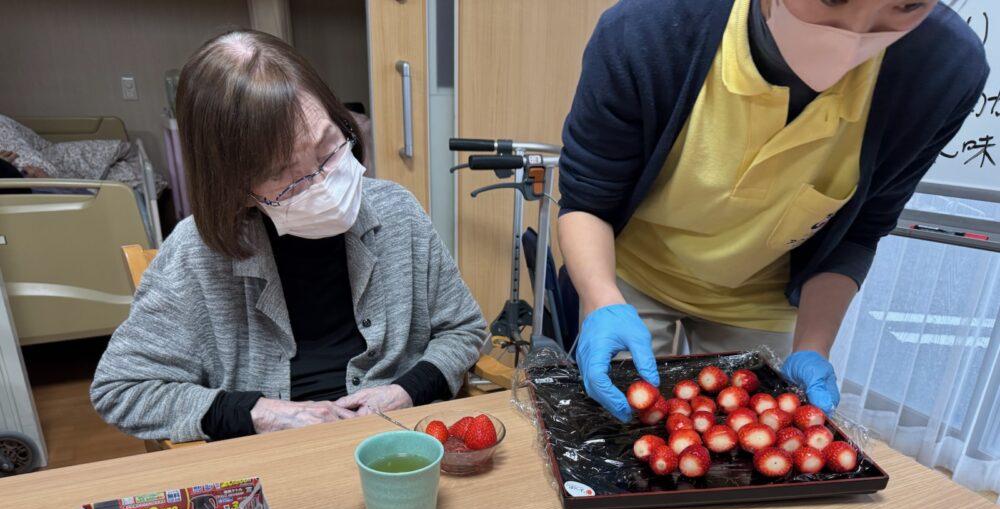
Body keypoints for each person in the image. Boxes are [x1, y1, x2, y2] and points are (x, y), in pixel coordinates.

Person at [558, 0, 989, 421]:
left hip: (762, 296)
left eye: (907, 6)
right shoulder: (648, 28)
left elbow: (861, 229)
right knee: (625, 423)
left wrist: (813, 346)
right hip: (634, 273)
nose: (856, 35)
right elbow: (588, 200)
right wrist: (602, 300)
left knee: (749, 452)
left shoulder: (944, 70)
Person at [91, 31, 487, 442]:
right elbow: (122, 390)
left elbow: (463, 329)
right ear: (236, 190)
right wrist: (262, 414)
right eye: (286, 178)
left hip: (397, 442)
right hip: (271, 458)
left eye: (329, 148)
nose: (322, 184)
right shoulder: (196, 255)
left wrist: (407, 390)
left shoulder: (395, 211)